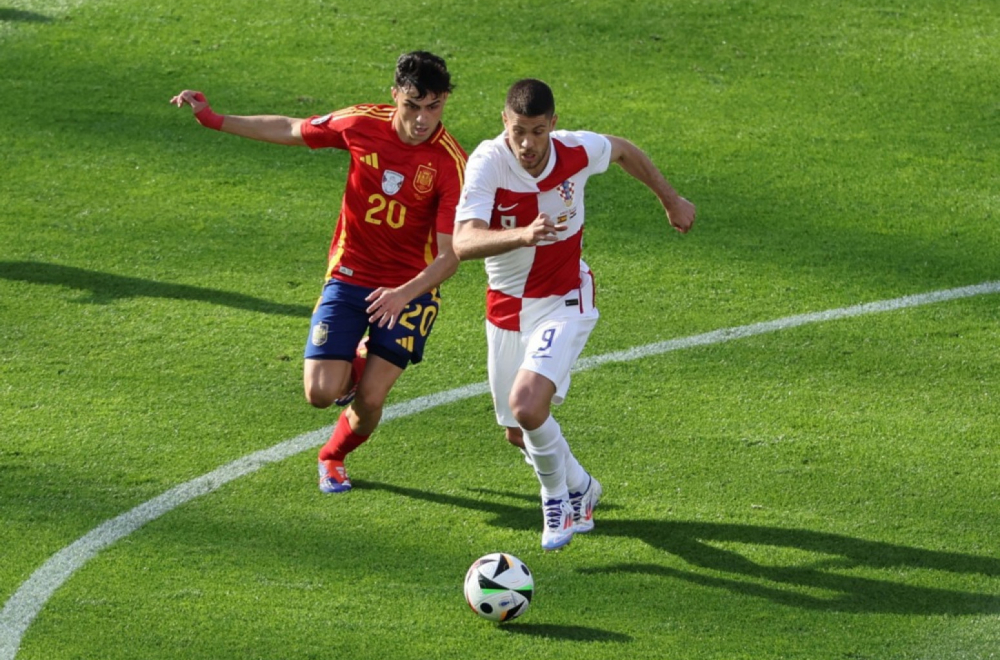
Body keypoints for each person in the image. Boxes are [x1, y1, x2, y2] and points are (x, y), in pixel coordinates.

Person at [171, 52, 467, 494]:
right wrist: (213, 118)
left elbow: (451, 256)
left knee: (369, 399)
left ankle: (332, 455)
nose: (422, 119)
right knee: (320, 394)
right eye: (412, 105)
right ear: (395, 97)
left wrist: (403, 294)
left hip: (411, 289)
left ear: (444, 101)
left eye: (433, 107)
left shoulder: (450, 163)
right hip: (350, 275)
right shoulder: (361, 124)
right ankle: (361, 355)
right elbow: (292, 128)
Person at [452, 78, 695, 551]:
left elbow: (623, 150)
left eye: (538, 132)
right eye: (518, 131)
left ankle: (557, 501)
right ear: (505, 121)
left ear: (553, 125)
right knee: (517, 433)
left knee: (527, 406)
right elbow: (463, 242)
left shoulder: (575, 151)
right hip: (505, 307)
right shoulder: (488, 162)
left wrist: (669, 197)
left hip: (564, 297)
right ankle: (582, 486)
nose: (527, 144)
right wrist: (522, 235)